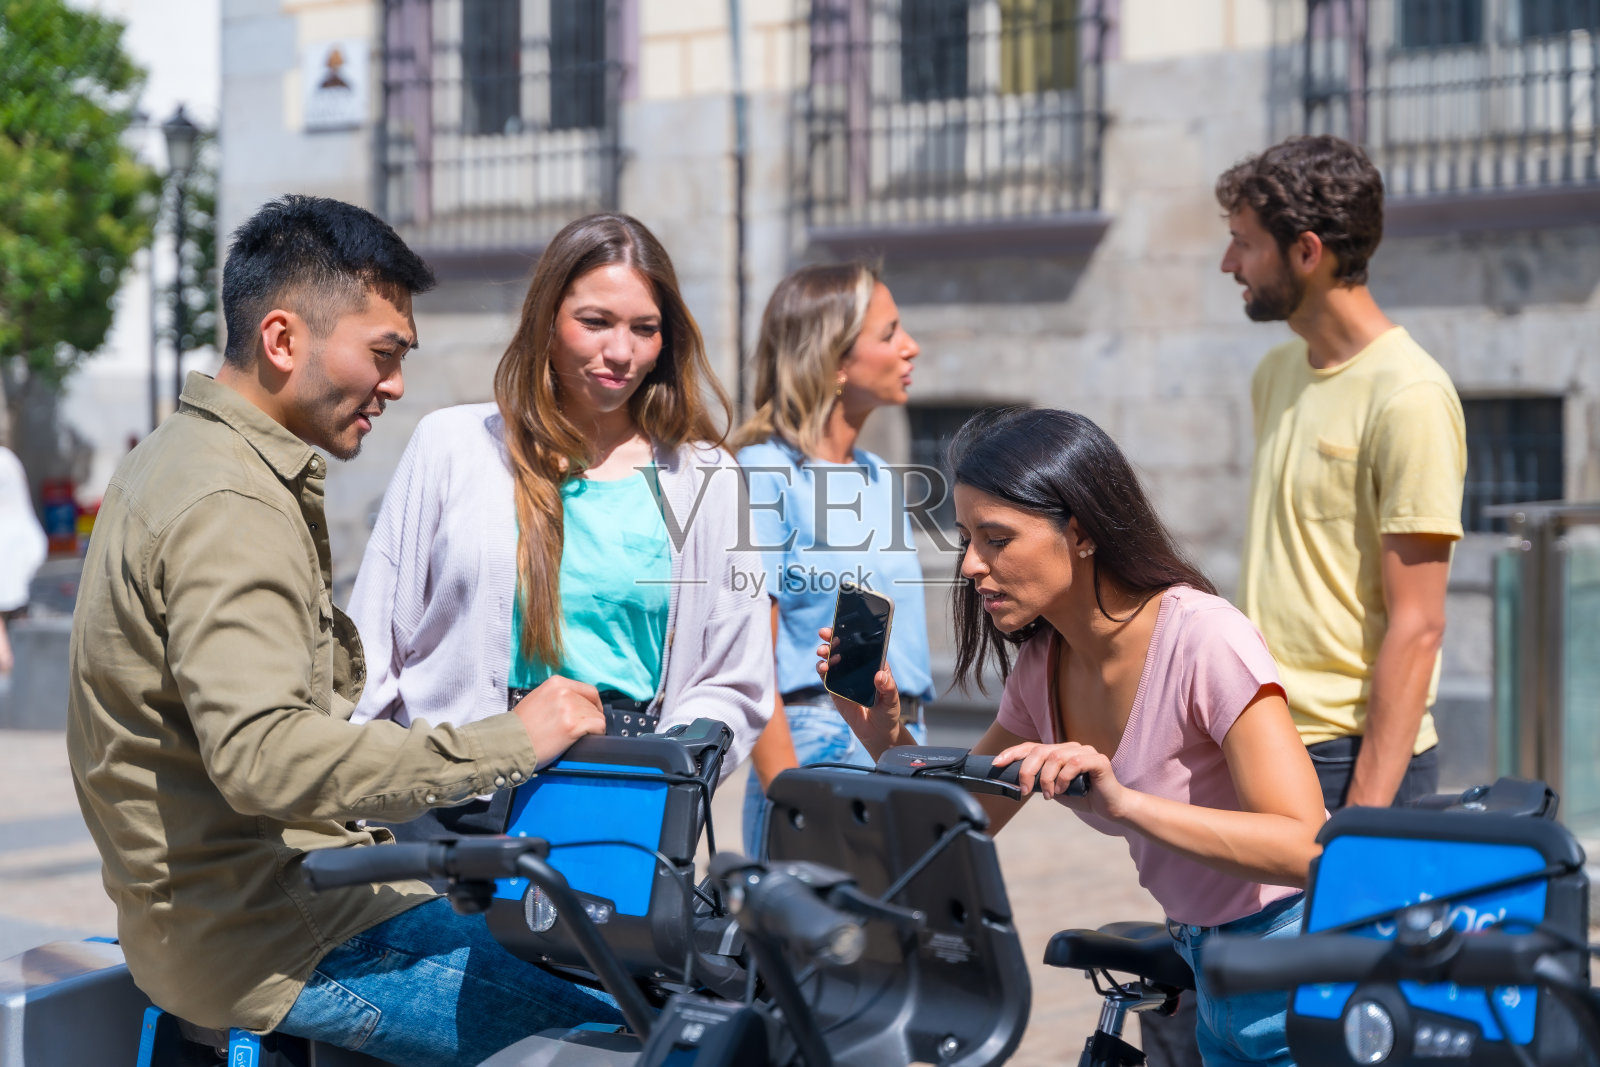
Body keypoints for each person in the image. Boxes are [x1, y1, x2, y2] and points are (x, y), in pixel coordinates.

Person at [66, 195, 620, 1067]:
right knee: (632, 1022)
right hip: (277, 934)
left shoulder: (176, 458)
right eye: (383, 353)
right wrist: (510, 740)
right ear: (283, 340)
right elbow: (265, 756)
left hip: (231, 917)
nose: (394, 385)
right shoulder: (230, 501)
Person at [821, 408, 1326, 1066]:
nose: (970, 565)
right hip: (1209, 967)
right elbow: (963, 822)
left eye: (996, 539)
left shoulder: (1205, 637)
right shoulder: (1043, 664)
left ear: (1081, 532)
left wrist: (1127, 804)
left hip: (1298, 964)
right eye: (966, 538)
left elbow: (1305, 846)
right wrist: (882, 734)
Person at [348, 212, 772, 839]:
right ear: (547, 321)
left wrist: (670, 776)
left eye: (645, 329)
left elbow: (736, 676)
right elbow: (373, 645)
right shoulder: (452, 445)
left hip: (621, 798)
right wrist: (353, 809)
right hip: (447, 796)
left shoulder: (706, 477)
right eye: (595, 322)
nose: (621, 352)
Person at [1219, 135, 1467, 811]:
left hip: (1353, 760)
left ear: (1307, 251)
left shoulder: (1410, 395)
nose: (1228, 263)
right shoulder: (1276, 373)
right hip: (1264, 737)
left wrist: (1363, 818)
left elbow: (1419, 625)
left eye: (1244, 243)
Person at [730, 263, 936, 859]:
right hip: (820, 743)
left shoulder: (877, 474)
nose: (911, 347)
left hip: (904, 742)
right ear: (836, 360)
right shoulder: (766, 471)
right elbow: (752, 660)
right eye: (889, 333)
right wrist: (786, 792)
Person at [0, 444, 46, 676]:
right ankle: (22, 668)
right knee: (19, 614)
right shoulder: (9, 459)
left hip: (7, 545)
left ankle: (8, 667)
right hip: (21, 543)